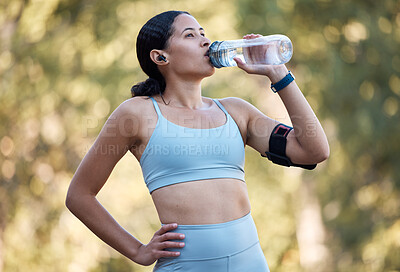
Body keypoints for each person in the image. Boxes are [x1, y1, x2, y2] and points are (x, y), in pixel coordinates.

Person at [66, 10, 329, 272]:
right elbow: (79, 195)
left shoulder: (236, 111)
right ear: (160, 56)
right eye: (190, 35)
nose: (205, 41)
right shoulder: (137, 113)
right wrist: (137, 250)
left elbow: (314, 150)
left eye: (204, 33)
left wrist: (278, 74)